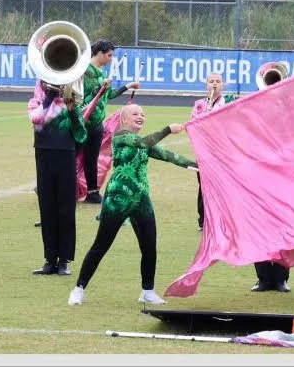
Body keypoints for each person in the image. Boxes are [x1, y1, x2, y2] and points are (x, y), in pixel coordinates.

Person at [69, 105, 195, 306]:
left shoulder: (143, 144)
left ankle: (147, 291)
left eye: (143, 114)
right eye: (135, 114)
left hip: (141, 200)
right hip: (118, 199)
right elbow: (145, 142)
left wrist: (198, 166)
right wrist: (168, 129)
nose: (140, 116)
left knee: (149, 247)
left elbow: (170, 156)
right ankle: (79, 288)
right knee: (101, 246)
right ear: (124, 120)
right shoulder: (120, 137)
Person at [30, 78, 86, 277]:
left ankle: (64, 260)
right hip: (44, 155)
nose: (49, 85)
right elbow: (36, 120)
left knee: (65, 208)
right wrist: (48, 100)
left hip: (65, 155)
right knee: (47, 208)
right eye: (46, 82)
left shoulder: (71, 105)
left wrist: (72, 111)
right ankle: (49, 260)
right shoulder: (36, 103)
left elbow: (81, 135)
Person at [80, 41, 138, 203]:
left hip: (96, 123)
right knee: (73, 157)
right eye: (109, 55)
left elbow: (108, 95)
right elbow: (85, 98)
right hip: (82, 122)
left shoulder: (101, 72)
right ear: (99, 53)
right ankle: (54, 187)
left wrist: (127, 86)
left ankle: (92, 192)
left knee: (92, 159)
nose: (111, 59)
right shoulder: (86, 71)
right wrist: (101, 88)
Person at [191, 72, 235, 229]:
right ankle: (203, 220)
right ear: (206, 85)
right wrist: (205, 116)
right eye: (211, 81)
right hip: (204, 152)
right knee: (204, 186)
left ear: (223, 84)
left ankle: (224, 218)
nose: (214, 84)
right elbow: (194, 125)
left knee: (224, 185)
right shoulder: (199, 105)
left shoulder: (229, 101)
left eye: (217, 81)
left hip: (223, 151)